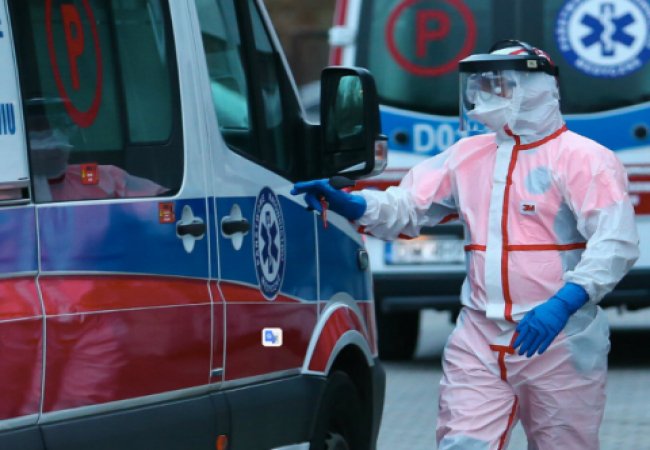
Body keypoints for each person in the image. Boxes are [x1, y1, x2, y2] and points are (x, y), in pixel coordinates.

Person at [292, 40, 640, 449]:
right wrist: (356, 205)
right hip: (479, 338)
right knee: (463, 443)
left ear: (535, 88)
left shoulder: (584, 159)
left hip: (560, 339)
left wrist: (564, 304)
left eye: (499, 85)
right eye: (481, 85)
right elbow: (408, 206)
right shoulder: (468, 156)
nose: (485, 95)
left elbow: (614, 242)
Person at [27, 98, 167, 202]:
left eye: (60, 126)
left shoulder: (104, 178)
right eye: (38, 129)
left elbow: (165, 199)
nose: (53, 137)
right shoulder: (15, 196)